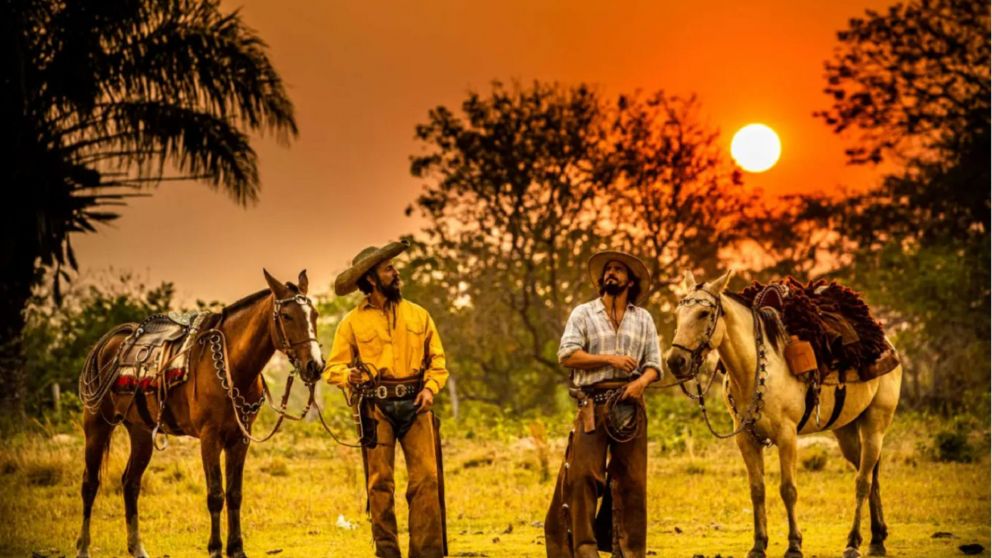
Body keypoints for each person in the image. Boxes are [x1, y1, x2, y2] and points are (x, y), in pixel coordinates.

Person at [325, 240, 448, 558]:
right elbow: (333, 367)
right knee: (380, 484)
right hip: (375, 409)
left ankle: (426, 553)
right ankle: (387, 552)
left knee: (427, 479)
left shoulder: (419, 315)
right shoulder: (351, 322)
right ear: (370, 280)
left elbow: (438, 363)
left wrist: (430, 389)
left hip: (417, 404)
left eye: (393, 267)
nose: (396, 272)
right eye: (388, 268)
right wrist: (347, 376)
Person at [545, 250, 663, 558]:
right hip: (592, 404)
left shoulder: (644, 318)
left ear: (631, 281)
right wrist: (608, 358)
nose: (611, 273)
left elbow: (654, 364)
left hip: (631, 406)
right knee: (584, 475)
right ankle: (584, 549)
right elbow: (567, 354)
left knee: (633, 481)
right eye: (608, 269)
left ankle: (629, 551)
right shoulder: (583, 313)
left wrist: (641, 383)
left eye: (618, 270)